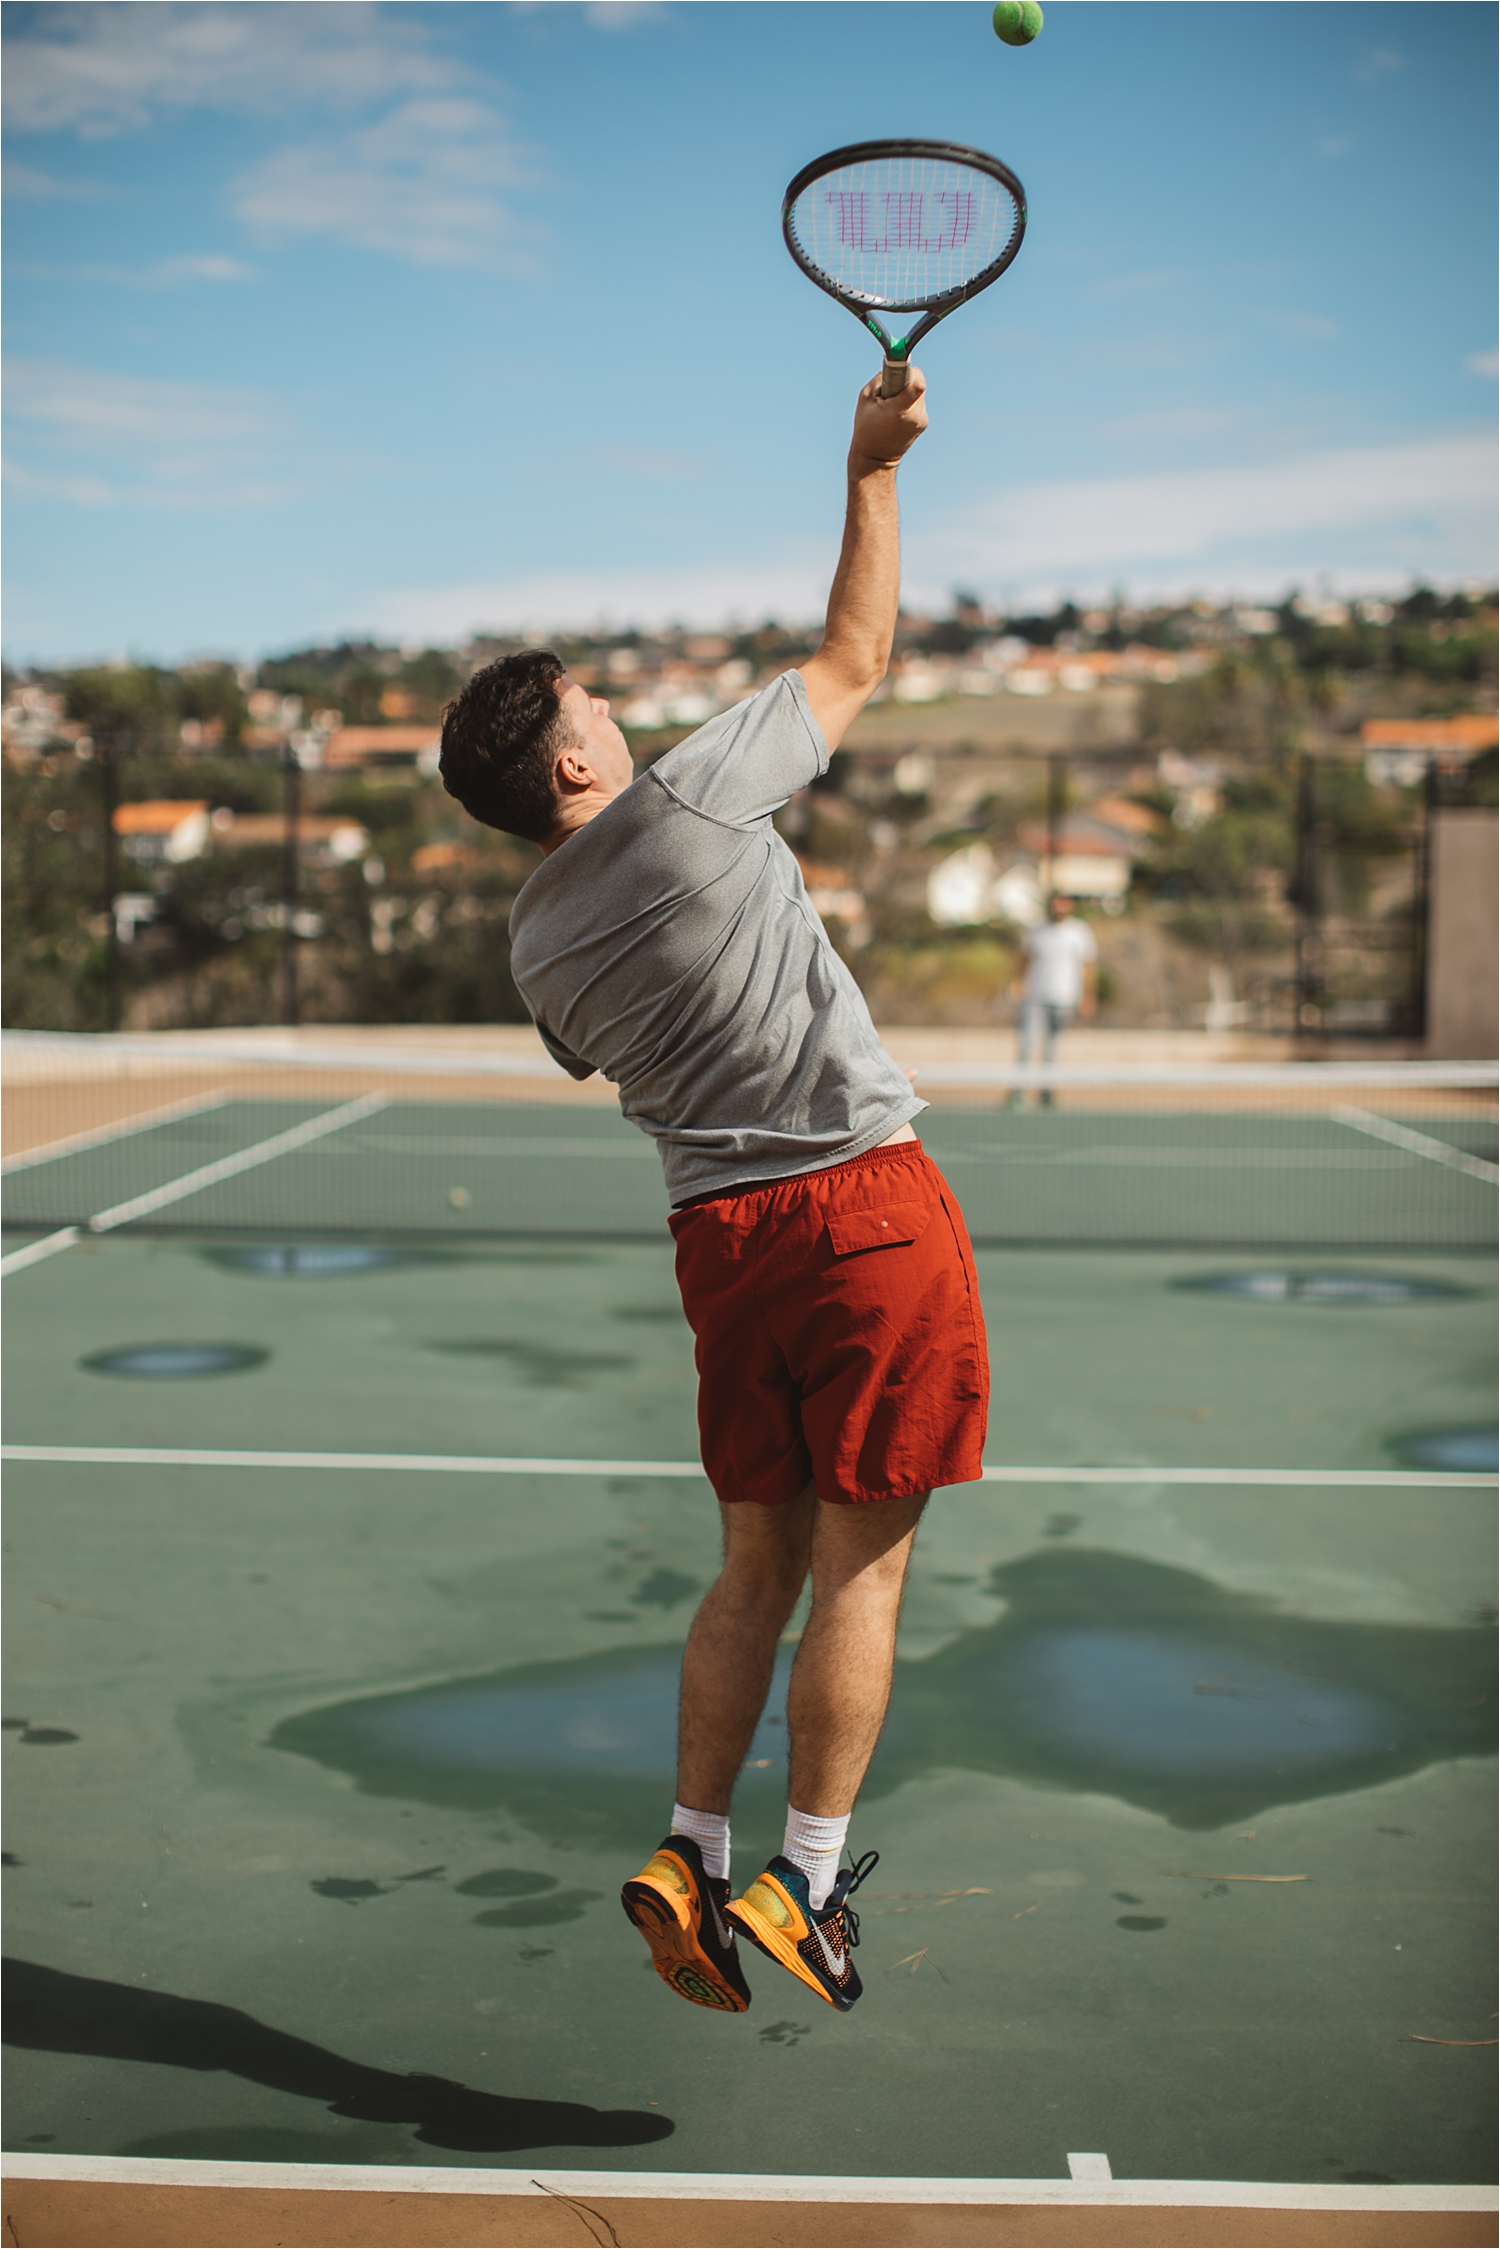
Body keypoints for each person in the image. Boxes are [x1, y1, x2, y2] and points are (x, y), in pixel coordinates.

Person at [437, 368, 988, 2021]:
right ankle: (806, 1882)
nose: (616, 711)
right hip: (868, 1214)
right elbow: (859, 655)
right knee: (863, 1567)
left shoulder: (537, 943)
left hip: (720, 1245)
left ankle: (688, 1839)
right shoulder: (687, 800)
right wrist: (870, 470)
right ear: (580, 766)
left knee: (752, 1557)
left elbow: (593, 1055)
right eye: (596, 708)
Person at [1010, 892, 1098, 1102]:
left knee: (1051, 1048)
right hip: (1036, 996)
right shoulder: (1037, 930)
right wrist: (1018, 983)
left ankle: (1046, 1090)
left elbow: (1088, 965)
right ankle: (1018, 1091)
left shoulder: (1079, 931)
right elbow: (1025, 957)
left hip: (1064, 998)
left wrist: (1087, 995)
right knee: (1027, 1045)